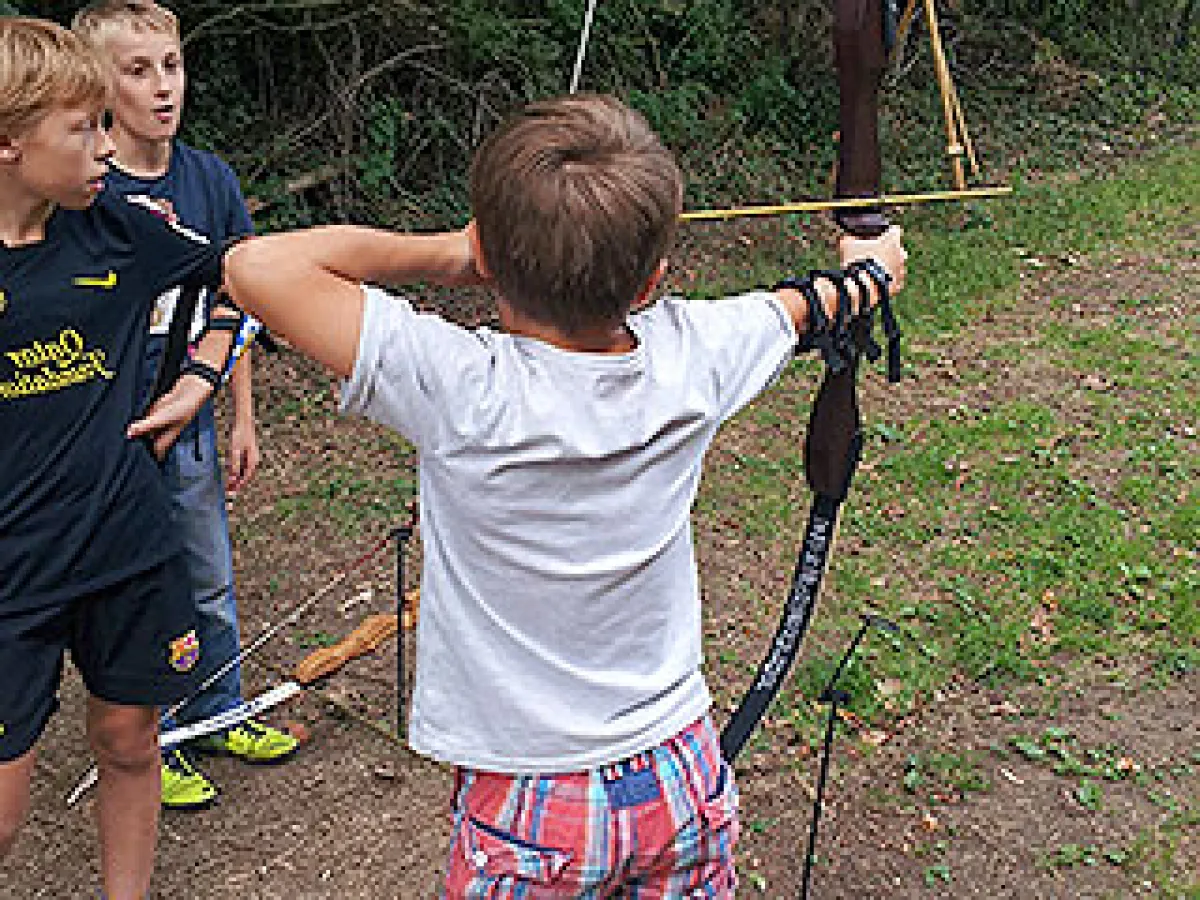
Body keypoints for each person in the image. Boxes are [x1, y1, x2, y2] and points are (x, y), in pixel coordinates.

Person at [209, 94, 906, 894]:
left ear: (492, 266)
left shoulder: (461, 387)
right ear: (653, 280)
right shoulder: (699, 351)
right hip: (681, 770)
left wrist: (446, 254)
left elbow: (253, 267)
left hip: (531, 800)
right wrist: (872, 266)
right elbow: (817, 301)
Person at [0, 17, 239, 899]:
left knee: (132, 739)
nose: (109, 145)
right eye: (86, 126)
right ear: (9, 143)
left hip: (125, 547)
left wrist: (202, 378)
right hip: (13, 573)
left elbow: (238, 275)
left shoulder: (113, 226)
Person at [72, 0, 297, 813]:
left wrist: (240, 414)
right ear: (99, 85)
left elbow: (236, 296)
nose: (163, 87)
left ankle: (218, 707)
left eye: (170, 64)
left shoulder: (210, 179)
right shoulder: (85, 189)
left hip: (194, 416)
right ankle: (151, 735)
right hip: (112, 429)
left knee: (207, 569)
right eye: (138, 70)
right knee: (138, 581)